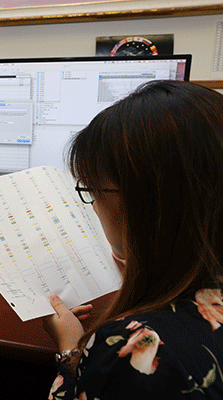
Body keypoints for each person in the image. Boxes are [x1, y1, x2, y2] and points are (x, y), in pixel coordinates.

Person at [42, 80, 223, 399]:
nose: (95, 206)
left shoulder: (138, 345)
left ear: (146, 204)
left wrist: (71, 349)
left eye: (93, 190)